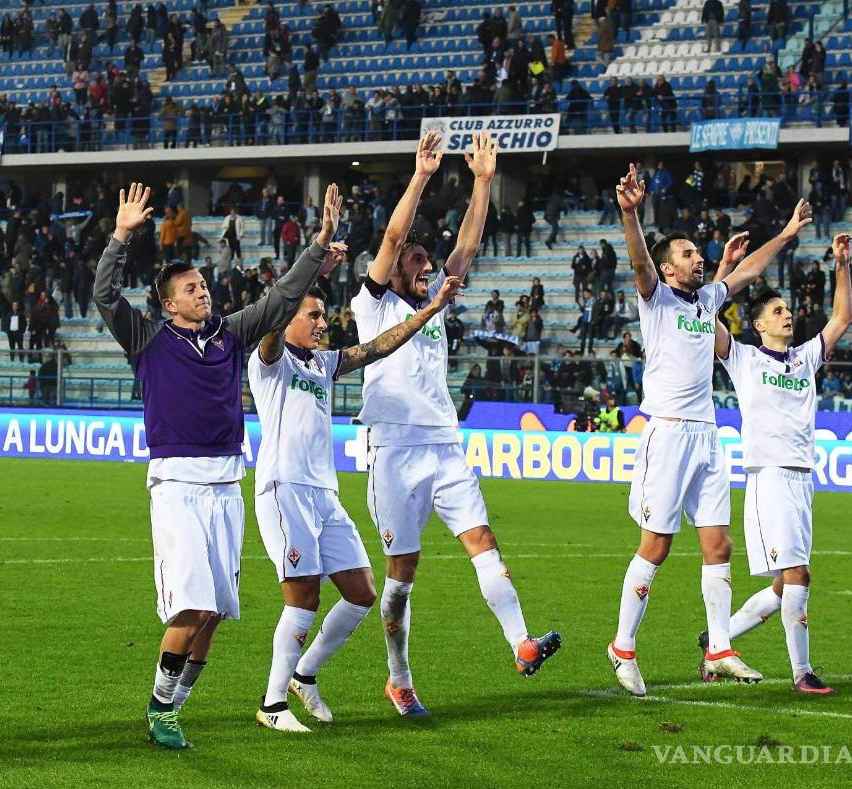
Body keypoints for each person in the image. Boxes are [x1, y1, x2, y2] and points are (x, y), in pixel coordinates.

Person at [93, 182, 342, 750]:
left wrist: (320, 241)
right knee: (193, 605)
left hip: (228, 485)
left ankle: (174, 705)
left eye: (203, 285)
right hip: (177, 485)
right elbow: (105, 295)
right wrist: (121, 235)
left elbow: (282, 299)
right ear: (169, 304)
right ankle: (160, 707)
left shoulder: (230, 335)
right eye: (190, 288)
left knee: (214, 615)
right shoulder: (148, 340)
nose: (202, 292)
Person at [352, 132, 561, 718]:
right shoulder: (375, 305)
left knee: (483, 544)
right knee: (401, 578)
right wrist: (421, 176)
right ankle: (399, 679)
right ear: (395, 268)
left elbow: (467, 246)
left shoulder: (439, 300)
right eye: (416, 260)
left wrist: (484, 182)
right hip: (393, 452)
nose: (426, 266)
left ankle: (520, 643)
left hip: (445, 448)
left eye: (427, 261)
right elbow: (392, 238)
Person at [606, 160, 813, 697]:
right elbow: (639, 262)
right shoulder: (655, 298)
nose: (698, 258)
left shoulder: (706, 301)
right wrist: (630, 214)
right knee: (655, 546)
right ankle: (622, 647)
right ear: (668, 268)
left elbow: (747, 272)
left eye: (699, 253)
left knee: (719, 546)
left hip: (708, 436)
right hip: (668, 433)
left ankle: (720, 647)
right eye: (687, 254)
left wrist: (787, 233)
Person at [249, 244, 463, 732]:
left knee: (362, 592)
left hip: (324, 494)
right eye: (313, 315)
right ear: (288, 318)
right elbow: (272, 323)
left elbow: (380, 346)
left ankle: (304, 674)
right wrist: (311, 271)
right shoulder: (270, 360)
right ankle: (272, 704)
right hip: (284, 490)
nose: (322, 323)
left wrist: (431, 309)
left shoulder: (323, 364)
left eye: (323, 315)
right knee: (302, 597)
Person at [707, 233, 852, 695]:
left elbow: (843, 318)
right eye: (777, 311)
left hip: (802, 480)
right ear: (758, 325)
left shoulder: (805, 359)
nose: (787, 314)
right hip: (768, 477)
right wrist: (725, 270)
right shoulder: (744, 358)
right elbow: (704, 317)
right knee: (798, 576)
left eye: (788, 309)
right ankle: (801, 673)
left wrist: (842, 264)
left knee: (780, 586)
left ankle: (716, 643)